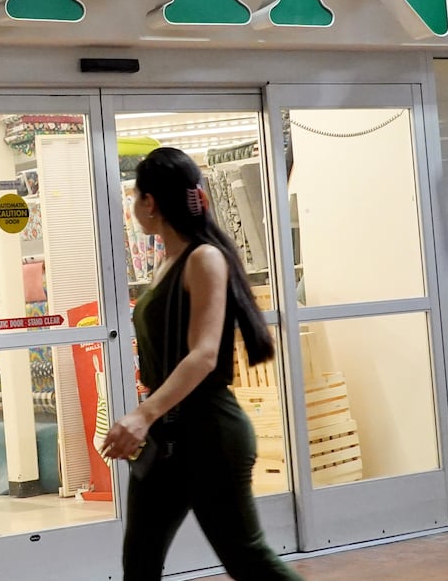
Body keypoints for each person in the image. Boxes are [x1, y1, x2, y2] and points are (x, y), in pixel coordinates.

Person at [101, 147, 302, 581]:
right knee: (140, 560)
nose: (134, 207)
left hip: (208, 432)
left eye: (136, 197)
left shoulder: (203, 258)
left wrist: (142, 413)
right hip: (167, 436)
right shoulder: (167, 262)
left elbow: (204, 354)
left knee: (247, 558)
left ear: (149, 203)